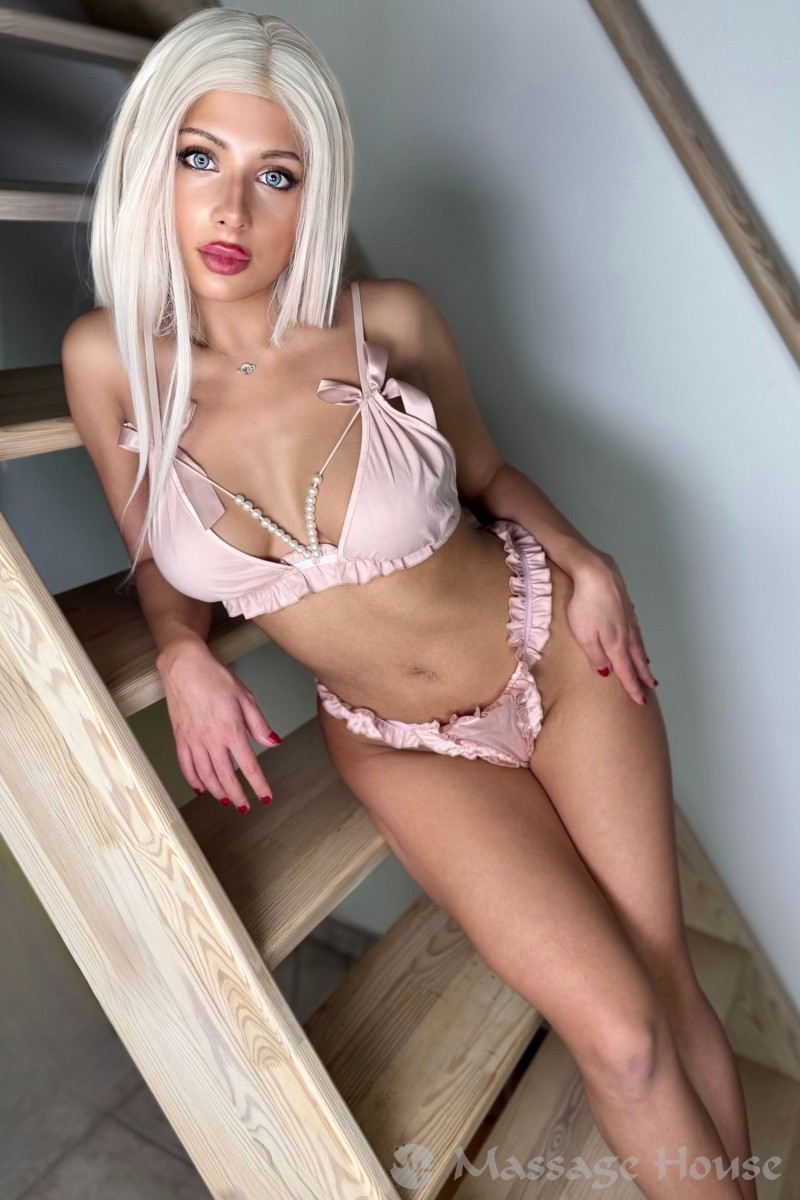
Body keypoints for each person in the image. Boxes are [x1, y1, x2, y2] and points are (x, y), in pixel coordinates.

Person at [60, 9, 758, 1197]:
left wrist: (585, 561)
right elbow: (158, 564)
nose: (230, 211)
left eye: (275, 176)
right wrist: (180, 653)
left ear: (314, 194)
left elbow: (484, 475)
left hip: (551, 655)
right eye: (199, 159)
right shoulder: (105, 361)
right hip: (399, 742)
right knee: (618, 1037)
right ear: (150, 165)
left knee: (663, 978)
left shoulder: (386, 321)